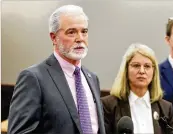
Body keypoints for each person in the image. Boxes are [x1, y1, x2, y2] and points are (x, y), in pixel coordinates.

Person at [8, 5, 105, 134]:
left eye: (84, 31)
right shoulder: (33, 78)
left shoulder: (92, 78)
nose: (80, 38)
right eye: (71, 32)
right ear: (53, 37)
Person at [102, 43, 173, 134]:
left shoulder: (165, 109)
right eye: (136, 65)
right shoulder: (108, 105)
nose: (142, 71)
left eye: (147, 66)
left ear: (154, 72)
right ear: (126, 70)